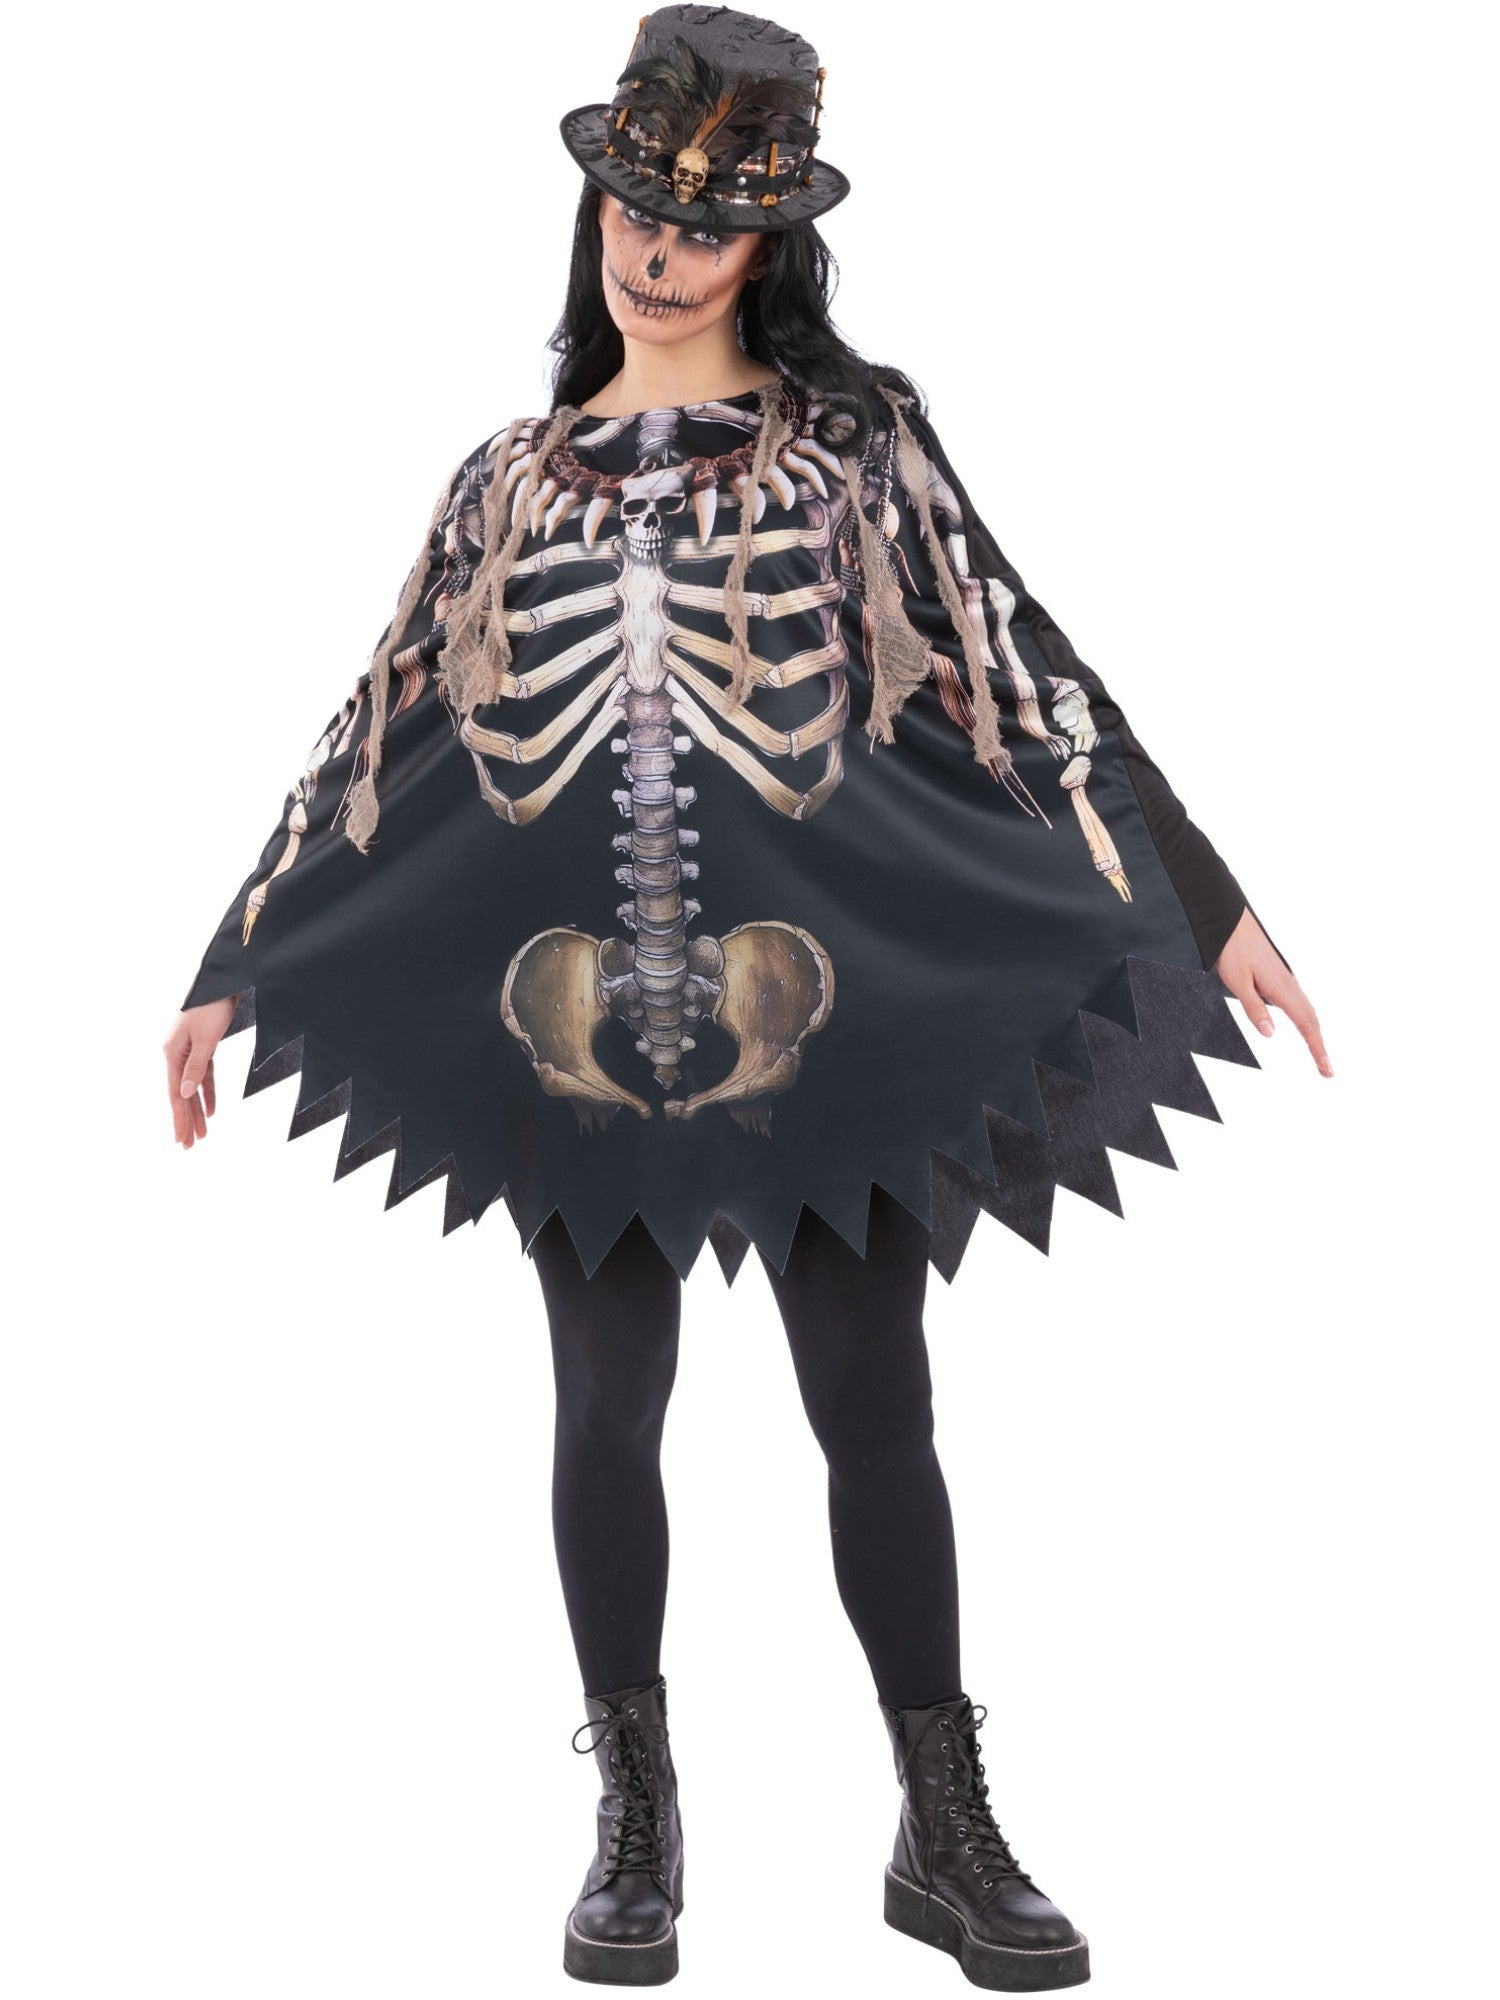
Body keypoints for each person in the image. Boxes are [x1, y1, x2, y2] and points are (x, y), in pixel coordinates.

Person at [164, 6, 1331, 1988]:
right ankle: (637, 1813)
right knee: (604, 1403)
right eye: (635, 206)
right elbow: (379, 723)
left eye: (706, 224)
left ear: (772, 242)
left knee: (874, 1400)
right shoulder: (504, 478)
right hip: (568, 1022)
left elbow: (1020, 661)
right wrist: (232, 957)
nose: (660, 248)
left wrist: (1210, 903)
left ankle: (944, 1820)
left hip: (827, 1007)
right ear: (593, 209)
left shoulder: (858, 442)